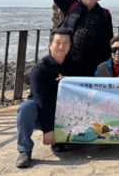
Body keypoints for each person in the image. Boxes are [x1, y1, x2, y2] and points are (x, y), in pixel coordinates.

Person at [15, 28, 80, 169]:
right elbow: (41, 102)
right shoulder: (40, 69)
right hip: (43, 114)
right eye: (58, 42)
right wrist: (47, 130)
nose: (61, 46)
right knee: (26, 107)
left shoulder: (75, 65)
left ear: (70, 45)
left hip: (64, 116)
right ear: (50, 44)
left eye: (65, 43)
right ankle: (24, 150)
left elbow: (85, 89)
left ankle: (58, 139)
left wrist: (71, 81)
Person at [40, 0, 113, 75]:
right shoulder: (71, 6)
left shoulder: (105, 14)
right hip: (69, 63)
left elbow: (109, 41)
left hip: (93, 66)